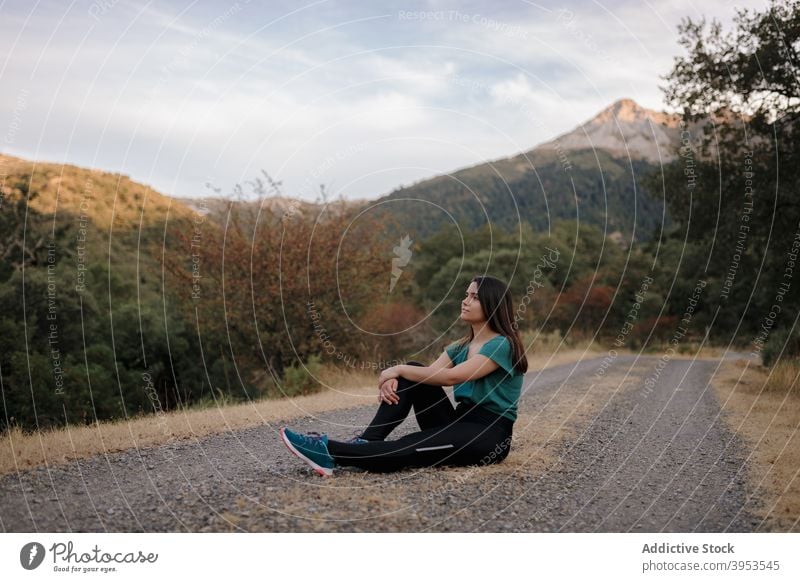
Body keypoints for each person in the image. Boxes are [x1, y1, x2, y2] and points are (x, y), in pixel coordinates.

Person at [279, 275, 528, 476]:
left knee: (410, 446)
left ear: (491, 304)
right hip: (457, 421)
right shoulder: (460, 346)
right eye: (466, 294)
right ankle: (366, 441)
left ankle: (327, 450)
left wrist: (395, 369)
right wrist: (398, 377)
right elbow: (429, 375)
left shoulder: (501, 345)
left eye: (474, 297)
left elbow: (451, 378)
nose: (465, 300)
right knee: (413, 372)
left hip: (487, 434)